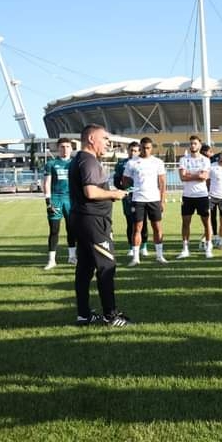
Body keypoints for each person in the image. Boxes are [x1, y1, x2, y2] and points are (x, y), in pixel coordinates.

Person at [69, 124, 130, 326]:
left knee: (85, 268)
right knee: (106, 266)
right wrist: (115, 194)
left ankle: (84, 314)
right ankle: (110, 315)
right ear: (92, 139)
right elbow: (91, 192)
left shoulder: (80, 159)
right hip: (93, 222)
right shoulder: (88, 161)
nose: (108, 142)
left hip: (84, 220)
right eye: (104, 138)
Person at [122, 137, 168, 266]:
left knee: (157, 228)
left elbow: (163, 183)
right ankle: (136, 258)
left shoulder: (157, 162)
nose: (145, 150)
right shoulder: (132, 162)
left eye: (148, 148)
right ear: (140, 148)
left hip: (154, 199)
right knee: (137, 228)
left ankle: (159, 256)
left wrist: (162, 201)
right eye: (143, 148)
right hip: (138, 200)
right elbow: (124, 181)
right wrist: (132, 191)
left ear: (151, 148)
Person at [42, 137, 76, 270]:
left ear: (71, 148)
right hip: (56, 198)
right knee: (54, 230)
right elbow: (46, 183)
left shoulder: (74, 163)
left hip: (71, 199)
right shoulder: (51, 163)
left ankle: (72, 257)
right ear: (57, 148)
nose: (65, 149)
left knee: (72, 229)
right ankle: (51, 260)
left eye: (67, 146)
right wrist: (48, 202)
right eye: (62, 147)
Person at [176, 135, 213, 259]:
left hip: (202, 196)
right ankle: (185, 249)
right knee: (185, 223)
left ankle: (208, 248)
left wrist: (190, 174)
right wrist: (197, 174)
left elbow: (204, 177)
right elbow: (182, 177)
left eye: (195, 143)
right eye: (191, 143)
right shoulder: (183, 160)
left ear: (199, 145)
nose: (193, 145)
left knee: (206, 222)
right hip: (187, 196)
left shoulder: (205, 160)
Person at [114, 142, 149, 258]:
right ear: (127, 151)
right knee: (130, 222)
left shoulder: (144, 162)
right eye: (131, 150)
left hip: (142, 197)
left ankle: (144, 246)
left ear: (139, 151)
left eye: (135, 150)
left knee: (142, 222)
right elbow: (117, 181)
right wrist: (124, 191)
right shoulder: (121, 164)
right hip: (128, 197)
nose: (133, 153)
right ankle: (131, 246)